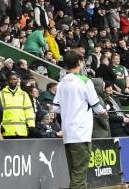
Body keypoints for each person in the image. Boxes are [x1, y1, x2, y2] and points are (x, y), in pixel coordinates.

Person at [53, 50, 106, 189]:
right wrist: (103, 113)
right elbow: (97, 107)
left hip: (68, 133)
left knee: (75, 172)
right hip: (80, 133)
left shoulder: (62, 83)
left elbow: (55, 108)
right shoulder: (85, 81)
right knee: (80, 174)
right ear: (80, 63)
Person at [0, 73, 34, 139]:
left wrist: (31, 125)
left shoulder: (24, 94)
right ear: (7, 81)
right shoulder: (1, 94)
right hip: (6, 130)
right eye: (11, 79)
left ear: (17, 80)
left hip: (21, 130)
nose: (13, 81)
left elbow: (29, 110)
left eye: (15, 79)